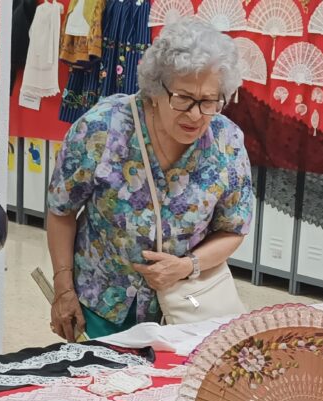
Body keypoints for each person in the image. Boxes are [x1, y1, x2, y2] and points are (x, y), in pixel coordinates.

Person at [46, 18, 255, 341]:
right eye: (184, 98)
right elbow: (61, 210)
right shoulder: (102, 129)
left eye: (209, 101)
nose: (196, 115)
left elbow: (234, 228)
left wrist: (187, 266)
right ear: (155, 91)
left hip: (187, 309)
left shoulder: (226, 143)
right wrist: (63, 289)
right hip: (102, 307)